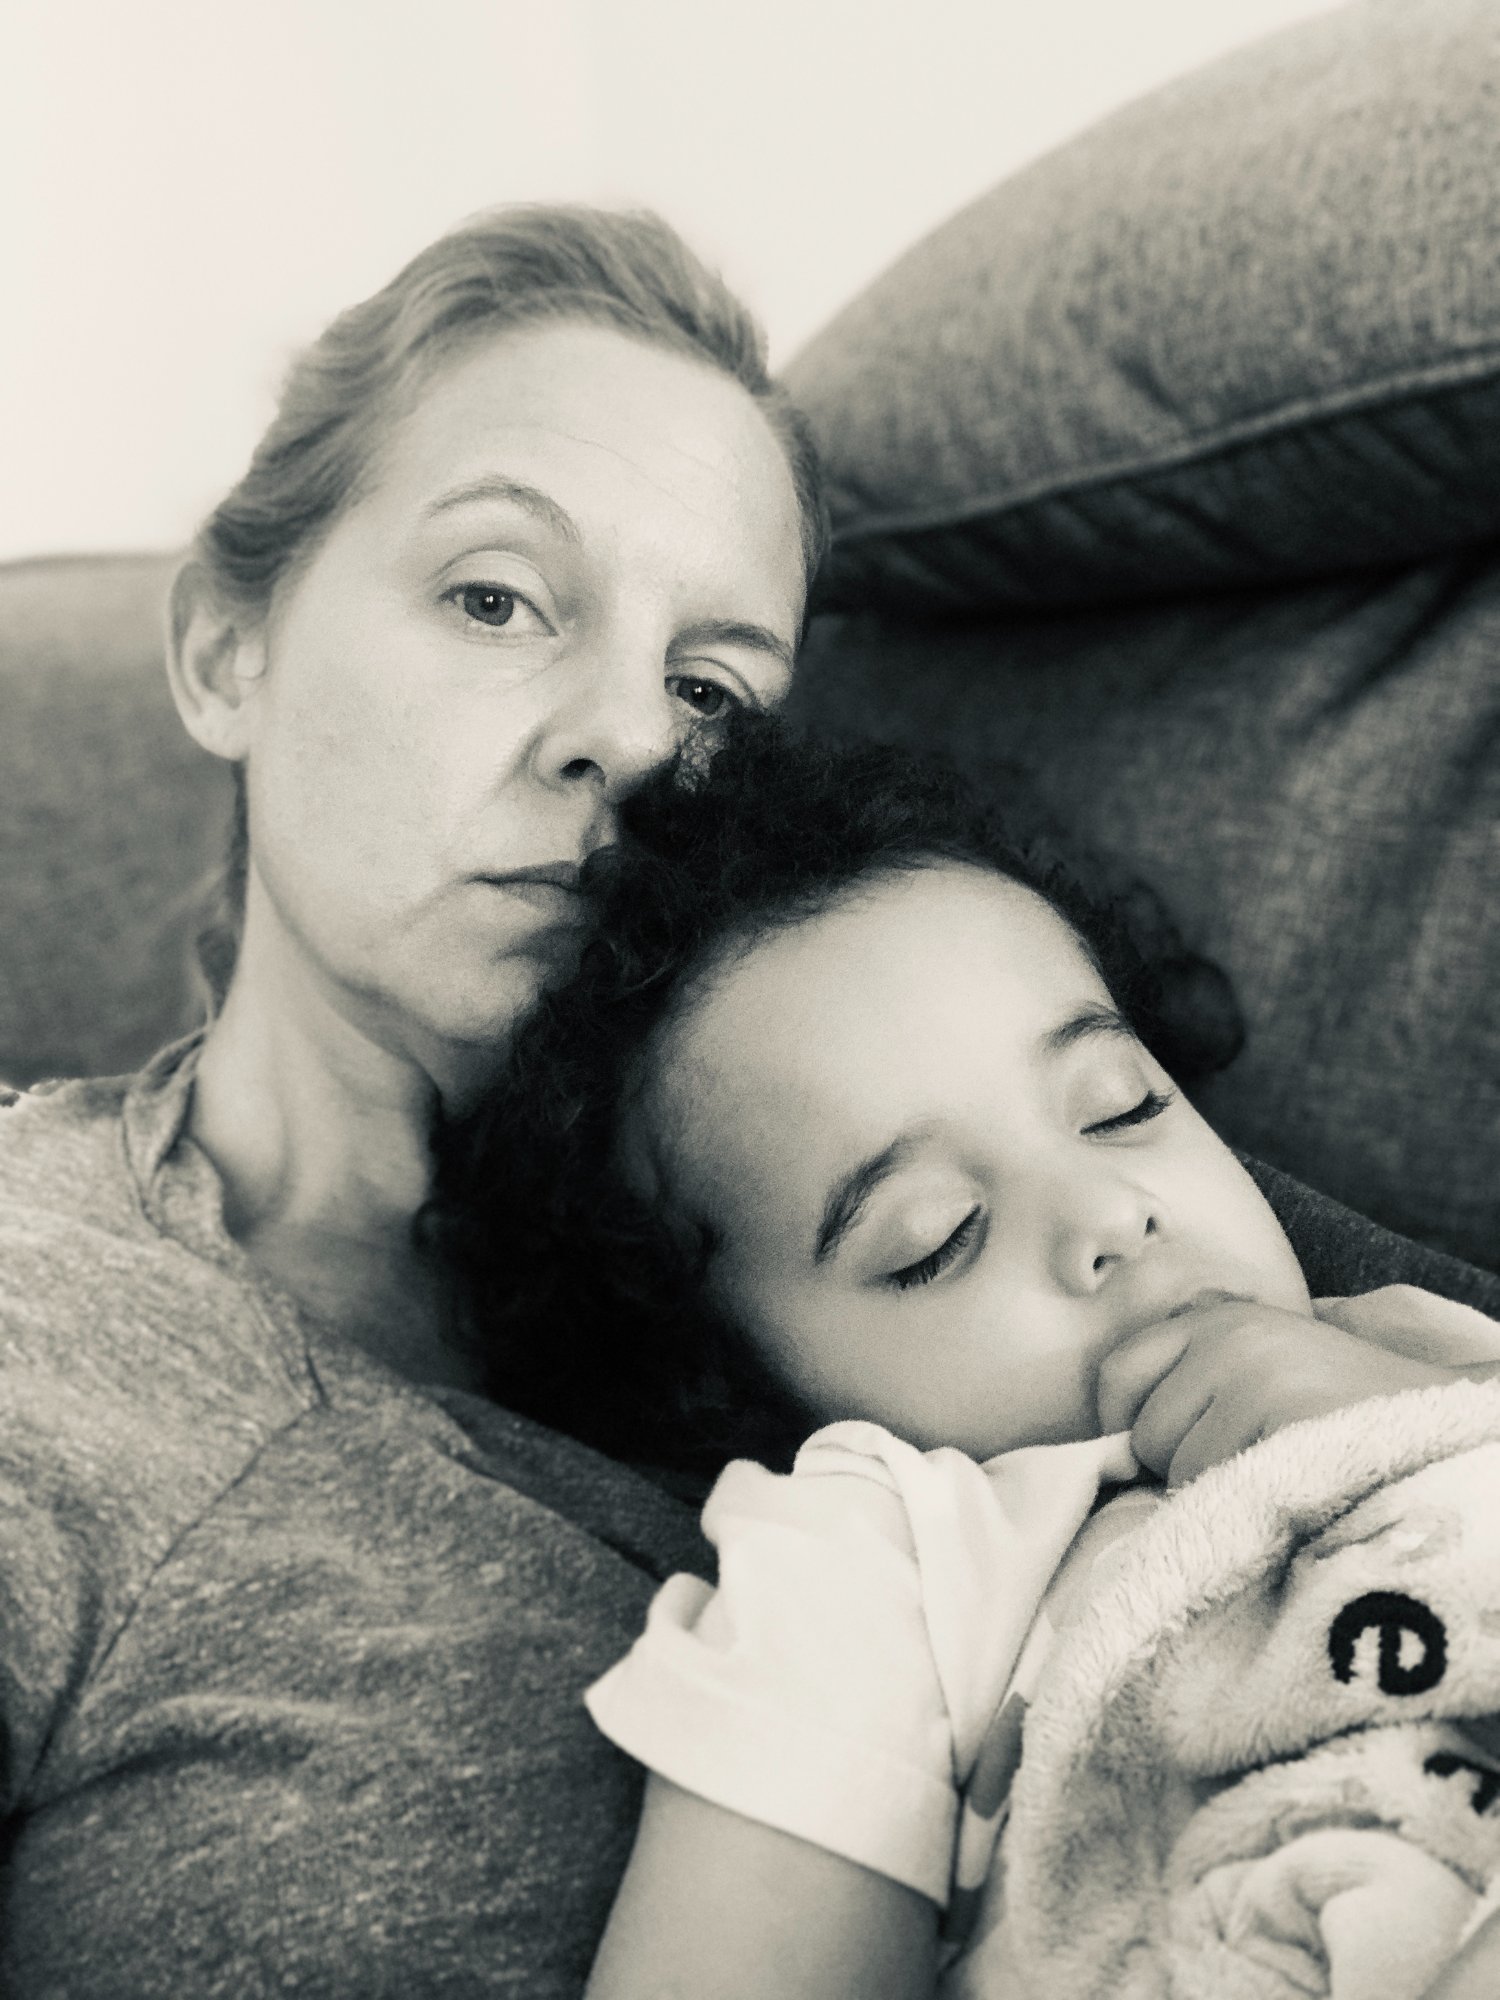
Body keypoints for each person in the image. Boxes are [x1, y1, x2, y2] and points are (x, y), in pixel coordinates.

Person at [0, 204, 822, 1997]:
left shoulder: (872, 1216)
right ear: (230, 652)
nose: (621, 735)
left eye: (710, 687)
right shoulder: (34, 1336)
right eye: (496, 597)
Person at [427, 717, 1500, 2000]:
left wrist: (1428, 1424)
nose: (1111, 1217)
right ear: (738, 1390)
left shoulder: (1420, 1343)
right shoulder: (885, 1552)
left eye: (1122, 1105)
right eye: (937, 1238)